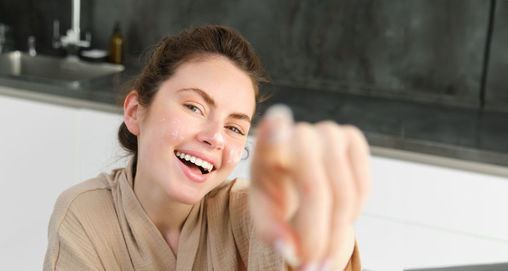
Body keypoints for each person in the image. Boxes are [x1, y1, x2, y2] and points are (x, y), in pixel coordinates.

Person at [44, 25, 370, 271]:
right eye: (194, 107)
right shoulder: (84, 215)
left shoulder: (245, 209)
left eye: (234, 127)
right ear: (135, 112)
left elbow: (307, 245)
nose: (215, 137)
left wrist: (325, 224)